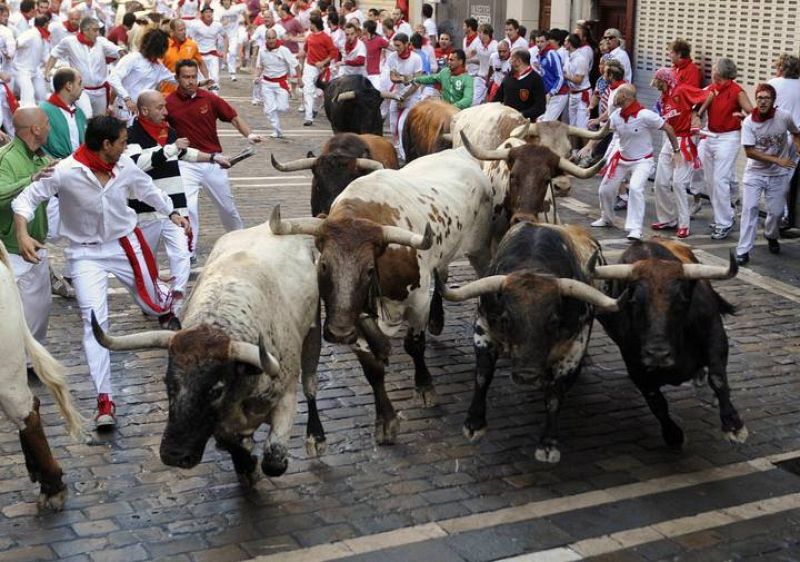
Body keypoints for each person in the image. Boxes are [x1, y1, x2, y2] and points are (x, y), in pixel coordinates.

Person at [12, 115, 190, 429]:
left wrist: (172, 212)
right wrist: (23, 233)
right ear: (106, 144)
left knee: (153, 303)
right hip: (85, 253)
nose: (125, 146)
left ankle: (163, 306)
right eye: (122, 142)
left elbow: (148, 190)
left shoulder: (125, 166)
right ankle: (105, 399)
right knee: (93, 320)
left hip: (125, 245)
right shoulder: (65, 171)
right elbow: (26, 200)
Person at [126, 90, 221, 320]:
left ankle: (176, 303)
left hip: (175, 210)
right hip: (145, 212)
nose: (166, 112)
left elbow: (184, 153)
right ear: (144, 110)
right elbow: (136, 164)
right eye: (160, 108)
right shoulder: (130, 134)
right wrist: (171, 148)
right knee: (145, 264)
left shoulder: (170, 133)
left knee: (181, 255)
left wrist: (213, 158)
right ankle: (154, 300)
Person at [166, 58, 262, 258]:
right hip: (186, 163)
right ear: (177, 78)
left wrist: (249, 135)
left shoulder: (209, 98)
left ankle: (240, 240)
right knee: (188, 208)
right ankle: (188, 251)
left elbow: (233, 117)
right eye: (186, 77)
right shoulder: (168, 103)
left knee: (227, 208)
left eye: (194, 77)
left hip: (214, 162)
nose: (191, 81)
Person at [0, 108, 57, 368]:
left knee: (40, 307)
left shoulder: (39, 157)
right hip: (12, 248)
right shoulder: (7, 158)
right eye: (46, 124)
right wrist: (30, 180)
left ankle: (31, 360)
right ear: (35, 129)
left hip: (37, 244)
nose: (49, 127)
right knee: (14, 312)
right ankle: (18, 363)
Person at [592, 84, 680, 241]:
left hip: (642, 161)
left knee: (635, 188)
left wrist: (677, 151)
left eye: (618, 93)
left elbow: (669, 128)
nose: (615, 95)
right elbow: (602, 133)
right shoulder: (616, 115)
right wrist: (588, 145)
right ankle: (607, 217)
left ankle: (635, 228)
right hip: (622, 158)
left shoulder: (646, 115)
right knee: (604, 190)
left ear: (625, 97)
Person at [735, 84, 800, 264]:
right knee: (750, 209)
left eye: (767, 98)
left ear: (773, 100)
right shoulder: (749, 122)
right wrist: (777, 160)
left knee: (777, 212)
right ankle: (743, 250)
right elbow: (750, 152)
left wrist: (797, 147)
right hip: (755, 173)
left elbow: (796, 133)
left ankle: (771, 235)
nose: (763, 102)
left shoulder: (784, 116)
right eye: (760, 98)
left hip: (778, 175)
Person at [650, 67, 711, 239]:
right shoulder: (664, 98)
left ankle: (684, 224)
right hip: (670, 140)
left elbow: (708, 94)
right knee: (661, 181)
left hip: (684, 141)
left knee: (678, 183)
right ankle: (667, 218)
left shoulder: (682, 90)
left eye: (659, 82)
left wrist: (696, 114)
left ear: (666, 80)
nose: (656, 86)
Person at [697, 58, 753, 240]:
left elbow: (752, 112)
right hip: (711, 135)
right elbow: (701, 107)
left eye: (714, 70)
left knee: (720, 179)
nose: (712, 72)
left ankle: (724, 223)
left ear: (721, 73)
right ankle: (725, 216)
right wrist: (696, 116)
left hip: (729, 137)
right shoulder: (715, 88)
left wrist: (742, 116)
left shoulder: (737, 91)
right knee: (710, 179)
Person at [45, 16, 122, 119]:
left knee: (100, 120)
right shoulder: (69, 42)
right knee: (87, 115)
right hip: (81, 90)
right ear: (85, 31)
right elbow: (55, 53)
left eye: (98, 30)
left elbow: (117, 50)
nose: (97, 33)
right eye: (95, 30)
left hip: (101, 91)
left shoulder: (101, 42)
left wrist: (128, 56)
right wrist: (47, 71)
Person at [109, 29, 176, 122]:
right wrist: (127, 98)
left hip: (144, 112)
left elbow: (176, 79)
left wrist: (200, 82)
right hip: (125, 109)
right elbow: (113, 78)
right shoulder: (133, 58)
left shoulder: (158, 66)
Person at [254, 27, 299, 138]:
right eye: (269, 38)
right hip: (267, 83)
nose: (271, 40)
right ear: (266, 39)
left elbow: (296, 65)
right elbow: (260, 66)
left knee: (282, 108)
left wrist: (300, 79)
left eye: (273, 38)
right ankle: (277, 130)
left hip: (281, 83)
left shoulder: (284, 50)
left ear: (276, 38)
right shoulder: (262, 50)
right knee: (269, 109)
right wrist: (256, 76)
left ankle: (277, 124)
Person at [387, 32, 422, 159]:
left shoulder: (416, 58)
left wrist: (404, 96)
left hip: (412, 96)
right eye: (395, 46)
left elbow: (417, 82)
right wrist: (404, 80)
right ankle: (397, 150)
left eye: (399, 46)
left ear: (407, 44)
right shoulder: (392, 57)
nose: (396, 49)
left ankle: (404, 156)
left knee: (402, 126)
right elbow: (392, 77)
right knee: (392, 127)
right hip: (397, 94)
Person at [301, 15, 338, 127]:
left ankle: (315, 108)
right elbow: (305, 50)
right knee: (307, 90)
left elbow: (334, 53)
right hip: (310, 66)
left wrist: (323, 62)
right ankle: (309, 117)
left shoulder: (325, 38)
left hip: (322, 69)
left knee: (320, 93)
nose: (309, 25)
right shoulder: (310, 36)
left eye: (310, 23)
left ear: (314, 24)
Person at [493, 49, 545, 120]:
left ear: (519, 61)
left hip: (526, 124)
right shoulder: (509, 76)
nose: (510, 62)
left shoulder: (535, 79)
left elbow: (540, 107)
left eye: (511, 60)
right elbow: (498, 97)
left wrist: (521, 115)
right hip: (507, 121)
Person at [14, 15, 50, 106]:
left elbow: (46, 57)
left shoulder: (43, 38)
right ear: (45, 24)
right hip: (22, 70)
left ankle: (42, 117)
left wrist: (53, 68)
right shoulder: (30, 34)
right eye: (48, 24)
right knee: (28, 99)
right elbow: (16, 43)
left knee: (42, 96)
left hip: (35, 70)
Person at [188, 4, 225, 87]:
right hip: (199, 55)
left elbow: (225, 37)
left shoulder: (218, 25)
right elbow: (189, 39)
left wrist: (225, 52)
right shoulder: (195, 25)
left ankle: (214, 97)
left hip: (213, 54)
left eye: (210, 12)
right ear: (202, 14)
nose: (208, 14)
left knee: (215, 78)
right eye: (206, 12)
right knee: (201, 80)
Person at [537, 30, 568, 122]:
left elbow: (560, 76)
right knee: (540, 120)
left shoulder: (552, 54)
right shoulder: (540, 55)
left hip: (559, 94)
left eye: (542, 42)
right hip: (548, 94)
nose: (539, 44)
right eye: (537, 42)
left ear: (547, 42)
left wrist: (551, 92)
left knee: (546, 122)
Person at [564, 33, 591, 128]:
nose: (564, 43)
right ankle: (574, 143)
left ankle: (585, 143)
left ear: (570, 44)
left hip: (582, 95)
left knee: (582, 125)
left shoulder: (580, 59)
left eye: (565, 41)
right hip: (573, 93)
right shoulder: (569, 57)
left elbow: (579, 79)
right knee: (572, 125)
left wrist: (565, 76)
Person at [216, 0, 248, 82]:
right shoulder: (218, 10)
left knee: (233, 52)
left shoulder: (236, 8)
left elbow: (244, 11)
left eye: (228, 0)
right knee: (220, 55)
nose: (226, 2)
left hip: (233, 35)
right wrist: (223, 23)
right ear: (222, 2)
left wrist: (249, 24)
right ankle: (217, 73)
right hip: (222, 36)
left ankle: (232, 73)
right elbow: (216, 24)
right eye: (225, 1)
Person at [362, 19, 388, 90]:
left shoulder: (379, 40)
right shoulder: (364, 40)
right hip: (365, 73)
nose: (362, 29)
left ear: (366, 29)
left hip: (376, 75)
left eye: (363, 27)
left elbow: (392, 48)